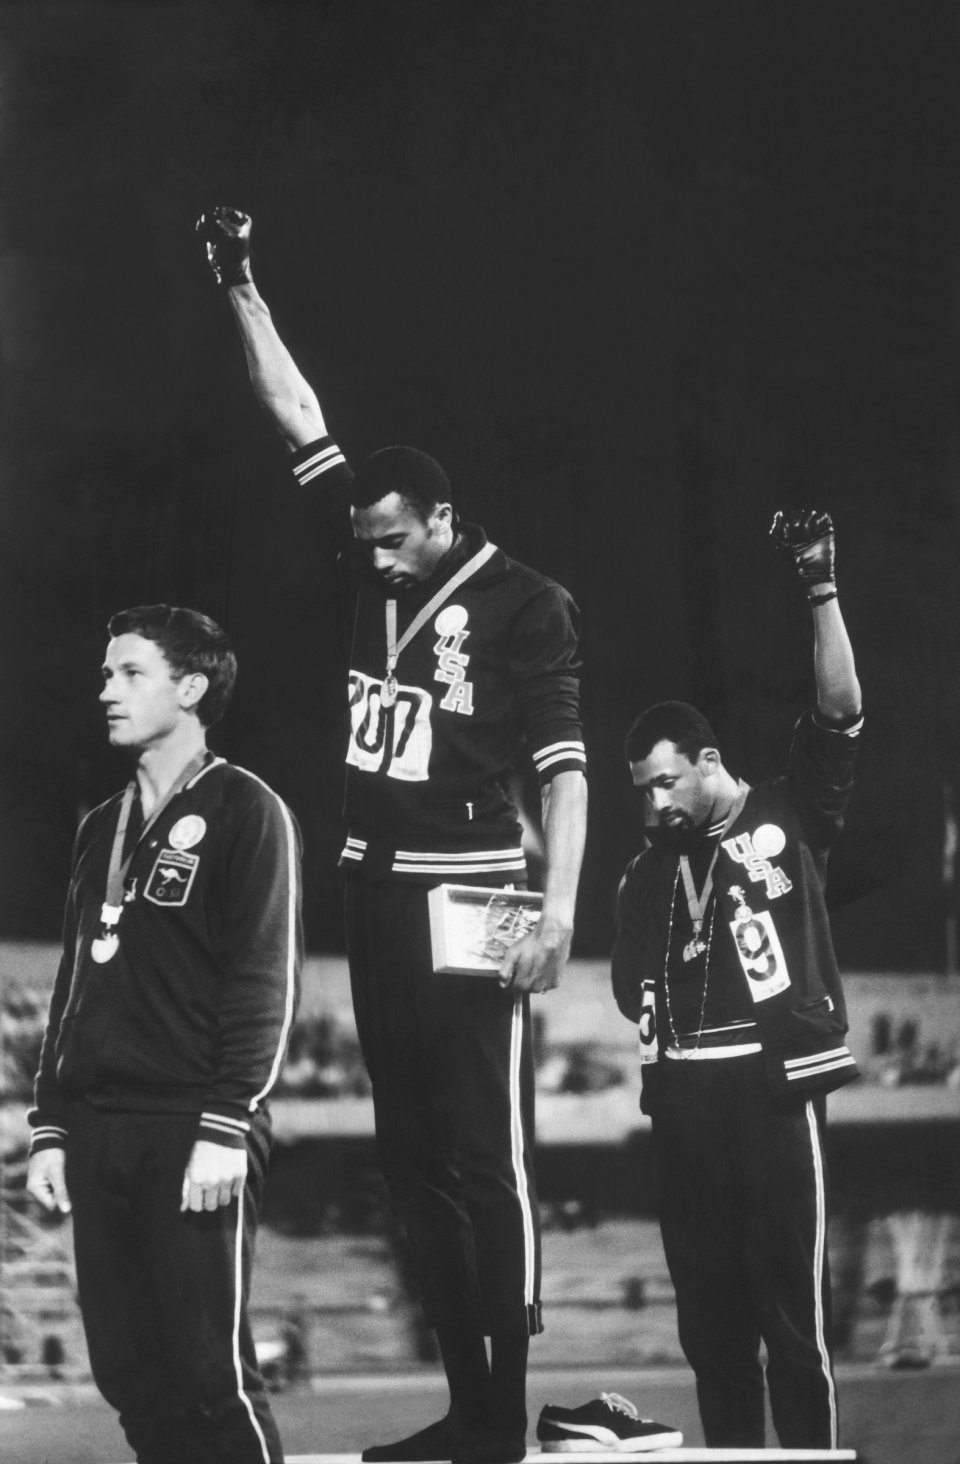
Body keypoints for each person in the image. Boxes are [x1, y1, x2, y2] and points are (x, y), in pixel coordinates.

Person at [197, 205, 588, 1464]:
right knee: (407, 1154)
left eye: (386, 543)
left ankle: (507, 1415)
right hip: (375, 886)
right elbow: (296, 412)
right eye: (360, 541)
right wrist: (241, 284)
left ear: (437, 522)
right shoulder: (371, 553)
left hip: (482, 891)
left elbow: (566, 776)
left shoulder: (530, 606)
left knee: (487, 1152)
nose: (367, 561)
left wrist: (563, 913)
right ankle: (467, 1410)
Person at [608, 508, 862, 1451]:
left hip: (769, 1085)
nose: (654, 801)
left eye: (667, 782)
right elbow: (630, 985)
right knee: (711, 1334)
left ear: (709, 762)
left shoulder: (789, 815)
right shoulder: (645, 874)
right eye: (641, 787)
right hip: (682, 1097)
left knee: (790, 1325)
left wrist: (821, 587)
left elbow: (840, 713)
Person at [26, 604, 302, 1464]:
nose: (105, 690)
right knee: (130, 1377)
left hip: (194, 1130)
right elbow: (73, 985)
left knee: (207, 1375)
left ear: (190, 688)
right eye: (107, 673)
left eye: (129, 673)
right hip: (101, 1131)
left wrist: (227, 1123)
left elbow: (265, 981)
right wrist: (51, 1125)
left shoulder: (248, 811)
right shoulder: (100, 827)